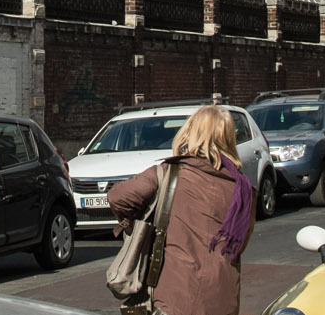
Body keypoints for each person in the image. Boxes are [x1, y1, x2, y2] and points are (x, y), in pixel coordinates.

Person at [106, 105, 256, 315]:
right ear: (229, 139)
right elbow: (239, 245)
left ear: (190, 132)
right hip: (223, 297)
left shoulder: (169, 173)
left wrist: (138, 222)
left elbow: (117, 197)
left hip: (174, 297)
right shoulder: (244, 189)